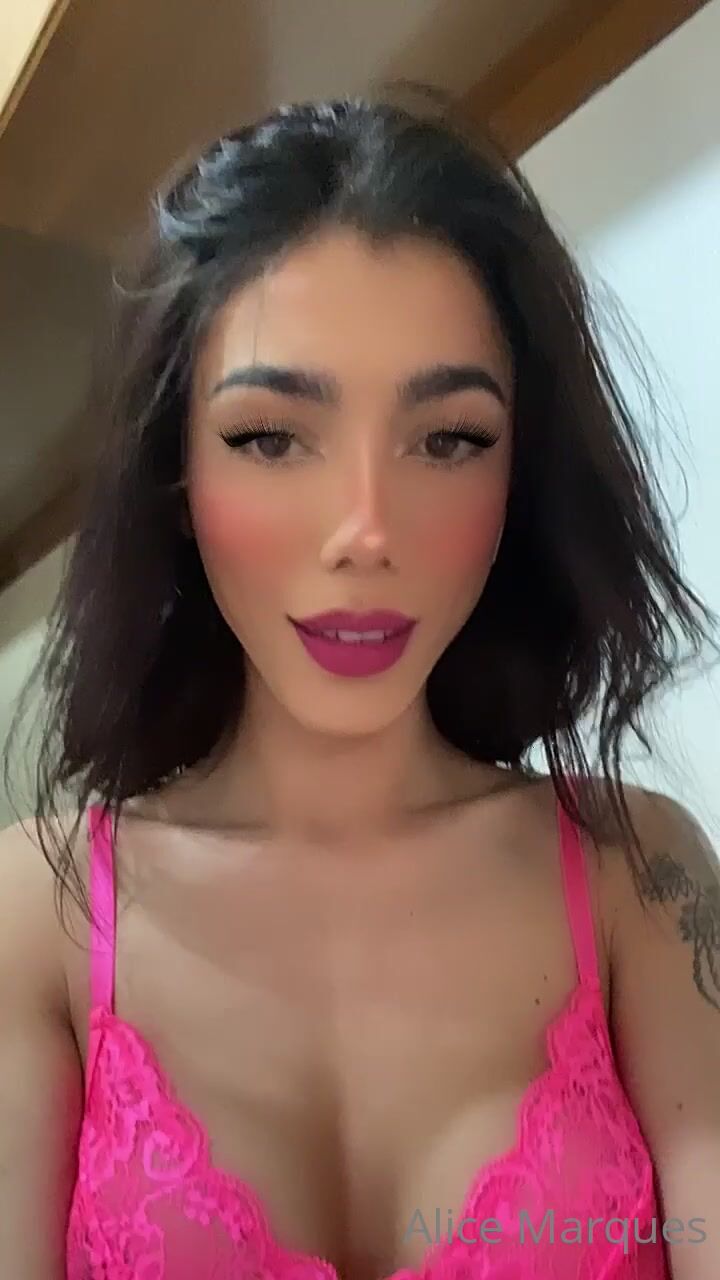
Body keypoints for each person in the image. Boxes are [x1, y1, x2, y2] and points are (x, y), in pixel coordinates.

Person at [0, 95, 718, 1280]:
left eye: (449, 439)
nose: (367, 531)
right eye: (271, 437)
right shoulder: (37, 918)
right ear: (175, 472)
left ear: (521, 475)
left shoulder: (640, 876)